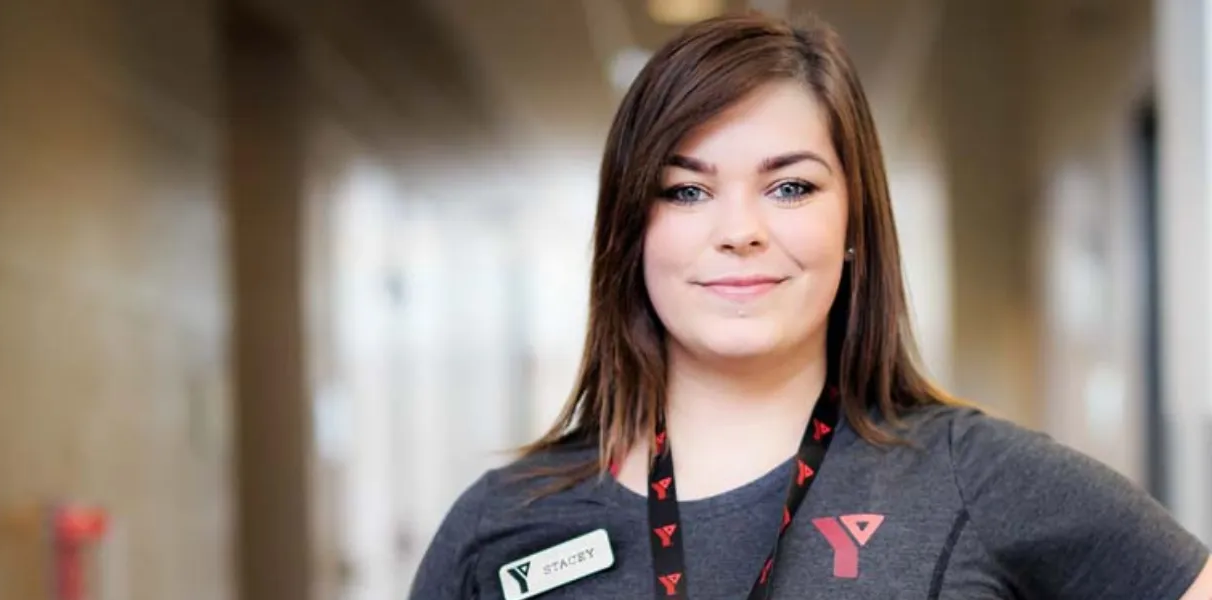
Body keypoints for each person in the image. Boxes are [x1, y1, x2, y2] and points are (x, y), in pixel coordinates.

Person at [408, 12, 1212, 600]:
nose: (740, 232)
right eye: (686, 191)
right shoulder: (500, 527)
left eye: (789, 186)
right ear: (632, 232)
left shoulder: (977, 478)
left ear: (853, 221)